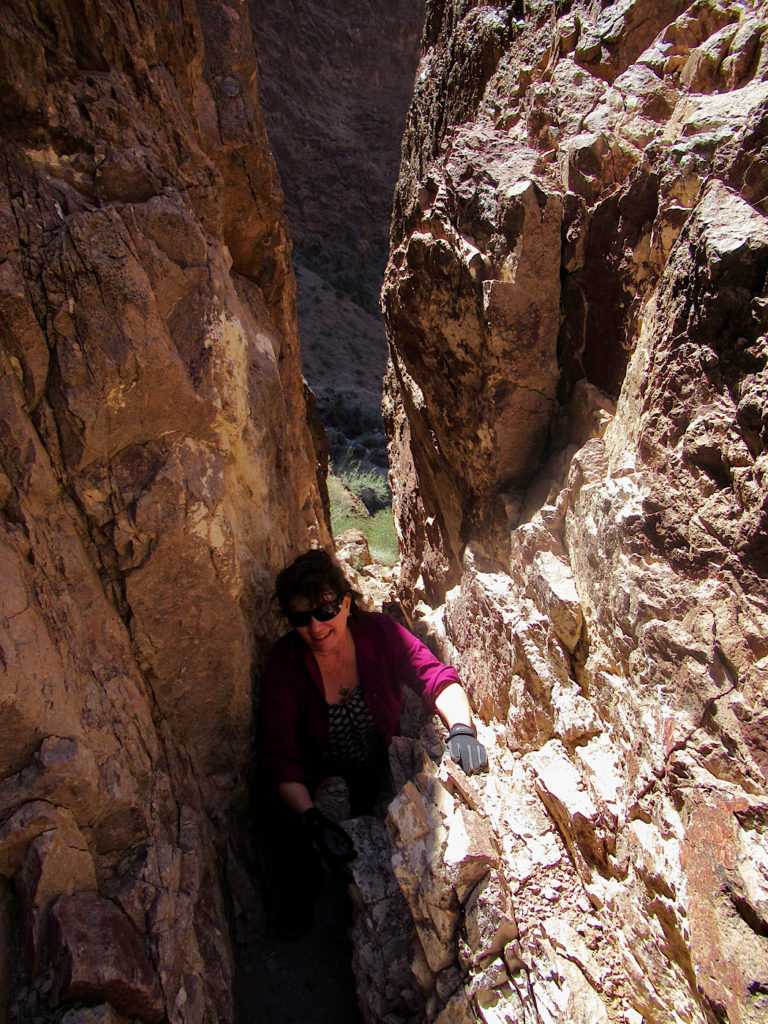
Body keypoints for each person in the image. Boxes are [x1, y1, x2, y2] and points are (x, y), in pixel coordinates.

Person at [258, 548, 488, 916]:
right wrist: (313, 820)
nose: (315, 628)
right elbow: (279, 755)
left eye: (325, 611)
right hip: (316, 781)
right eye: (301, 618)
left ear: (347, 604)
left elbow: (435, 677)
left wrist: (461, 729)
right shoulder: (286, 664)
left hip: (377, 766)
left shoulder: (379, 635)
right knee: (311, 868)